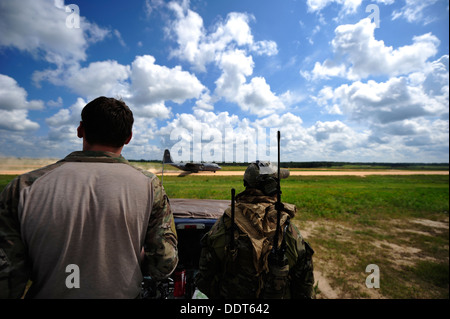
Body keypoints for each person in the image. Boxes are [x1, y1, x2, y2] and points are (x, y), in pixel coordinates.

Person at [0, 96, 178, 298]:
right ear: (128, 137)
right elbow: (164, 264)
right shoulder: (149, 186)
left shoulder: (23, 187)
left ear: (80, 130)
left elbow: (8, 277)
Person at [195, 161, 315, 299]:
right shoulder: (288, 230)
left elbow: (204, 281)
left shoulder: (224, 224)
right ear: (271, 187)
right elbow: (304, 286)